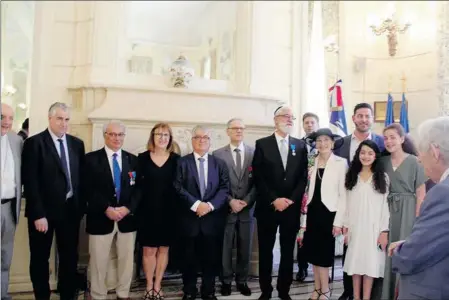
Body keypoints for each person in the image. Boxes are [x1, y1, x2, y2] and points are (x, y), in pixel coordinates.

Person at [22, 102, 85, 300]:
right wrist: (38, 214)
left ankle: (67, 295)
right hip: (44, 214)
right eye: (59, 119)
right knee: (40, 259)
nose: (63, 123)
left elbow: (80, 178)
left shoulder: (77, 144)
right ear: (50, 118)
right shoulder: (35, 143)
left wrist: (80, 207)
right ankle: (42, 296)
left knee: (69, 259)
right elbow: (30, 182)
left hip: (70, 212)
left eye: (67, 119)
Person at [388, 116, 449, 299]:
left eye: (421, 153)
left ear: (434, 151)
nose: (420, 161)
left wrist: (398, 252)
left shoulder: (442, 193)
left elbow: (410, 257)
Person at [252, 106, 308, 300]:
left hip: (290, 209)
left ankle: (284, 290)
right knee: (266, 251)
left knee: (287, 252)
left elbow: (303, 177)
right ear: (275, 120)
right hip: (268, 207)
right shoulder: (262, 144)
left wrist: (290, 199)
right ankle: (266, 291)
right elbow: (258, 177)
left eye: (292, 117)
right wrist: (274, 199)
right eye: (286, 116)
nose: (290, 119)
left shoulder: (299, 145)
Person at [333, 103, 385, 300]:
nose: (364, 119)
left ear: (372, 119)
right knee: (351, 256)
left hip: (373, 212)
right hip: (351, 210)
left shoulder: (381, 143)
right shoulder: (341, 144)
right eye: (360, 116)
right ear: (353, 118)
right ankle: (350, 293)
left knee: (371, 258)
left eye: (367, 116)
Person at [83, 120, 138, 300]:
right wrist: (106, 208)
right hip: (100, 218)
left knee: (126, 261)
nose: (116, 138)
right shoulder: (90, 159)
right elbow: (87, 188)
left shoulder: (133, 160)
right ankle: (98, 295)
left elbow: (139, 189)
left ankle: (123, 293)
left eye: (120, 134)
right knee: (99, 261)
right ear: (105, 135)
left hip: (126, 219)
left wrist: (127, 208)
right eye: (112, 134)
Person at [174, 125, 230, 300]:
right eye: (197, 137)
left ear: (209, 141)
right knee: (188, 259)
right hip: (189, 219)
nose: (201, 140)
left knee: (211, 259)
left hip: (212, 220)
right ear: (192, 141)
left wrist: (209, 206)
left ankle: (209, 291)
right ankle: (189, 291)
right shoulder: (182, 162)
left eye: (205, 137)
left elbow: (224, 188)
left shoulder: (219, 163)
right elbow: (177, 186)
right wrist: (197, 204)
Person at [380, 123, 426, 300]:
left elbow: (421, 193)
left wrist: (417, 218)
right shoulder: (382, 162)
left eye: (392, 137)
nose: (389, 141)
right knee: (387, 252)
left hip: (408, 210)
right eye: (386, 138)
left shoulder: (414, 161)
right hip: (387, 210)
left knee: (403, 249)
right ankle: (386, 293)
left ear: (402, 139)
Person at [300, 128, 347, 300]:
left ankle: (325, 289)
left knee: (325, 253)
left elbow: (344, 195)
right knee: (312, 252)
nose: (322, 144)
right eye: (319, 141)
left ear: (332, 143)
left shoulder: (341, 163)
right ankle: (316, 288)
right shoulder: (311, 161)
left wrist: (339, 221)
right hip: (312, 211)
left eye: (326, 140)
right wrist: (303, 219)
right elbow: (306, 190)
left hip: (330, 213)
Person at [135, 123, 180, 300]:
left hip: (169, 212)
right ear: (152, 137)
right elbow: (136, 187)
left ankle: (158, 284)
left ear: (170, 139)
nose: (162, 138)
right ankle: (148, 285)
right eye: (158, 134)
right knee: (148, 251)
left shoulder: (177, 160)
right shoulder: (142, 159)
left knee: (163, 250)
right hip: (147, 212)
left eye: (166, 135)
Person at [213, 118, 255, 297]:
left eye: (241, 128)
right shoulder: (217, 154)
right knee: (225, 246)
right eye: (235, 128)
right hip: (226, 208)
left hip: (247, 208)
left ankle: (242, 280)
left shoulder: (254, 153)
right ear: (228, 131)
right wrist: (230, 201)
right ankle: (226, 281)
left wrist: (246, 200)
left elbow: (258, 181)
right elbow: (215, 183)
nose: (239, 131)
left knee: (245, 246)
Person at [343, 140, 389, 300]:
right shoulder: (351, 176)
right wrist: (346, 227)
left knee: (370, 263)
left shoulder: (382, 178)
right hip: (355, 226)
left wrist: (384, 230)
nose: (366, 156)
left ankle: (367, 297)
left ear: (376, 156)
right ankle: (356, 297)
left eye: (370, 153)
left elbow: (385, 207)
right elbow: (346, 204)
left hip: (374, 227)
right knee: (356, 263)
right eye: (363, 152)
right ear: (358, 154)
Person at [1, 103, 23, 300]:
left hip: (9, 208)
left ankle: (2, 294)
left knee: (5, 257)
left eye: (10, 117)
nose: (6, 122)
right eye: (2, 117)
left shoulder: (17, 141)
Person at [296, 112, 319, 282]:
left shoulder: (324, 144)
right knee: (301, 231)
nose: (310, 125)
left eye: (312, 122)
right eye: (307, 122)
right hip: (302, 194)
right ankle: (302, 267)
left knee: (317, 230)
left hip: (319, 193)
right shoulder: (297, 144)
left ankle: (319, 266)